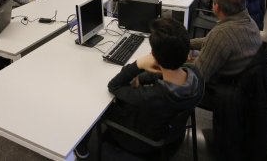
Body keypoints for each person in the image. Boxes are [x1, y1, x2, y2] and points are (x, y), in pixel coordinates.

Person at [74, 18, 204, 159]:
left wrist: (137, 65)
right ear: (186, 53)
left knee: (100, 100)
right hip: (170, 130)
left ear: (153, 55)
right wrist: (142, 78)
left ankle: (79, 143)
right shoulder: (195, 74)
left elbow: (114, 86)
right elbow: (162, 77)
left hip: (140, 141)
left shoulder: (152, 96)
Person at [190, 0, 262, 85]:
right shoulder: (249, 21)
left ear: (217, 7)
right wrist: (187, 43)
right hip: (242, 83)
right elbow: (212, 41)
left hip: (221, 89)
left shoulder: (221, 34)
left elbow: (197, 78)